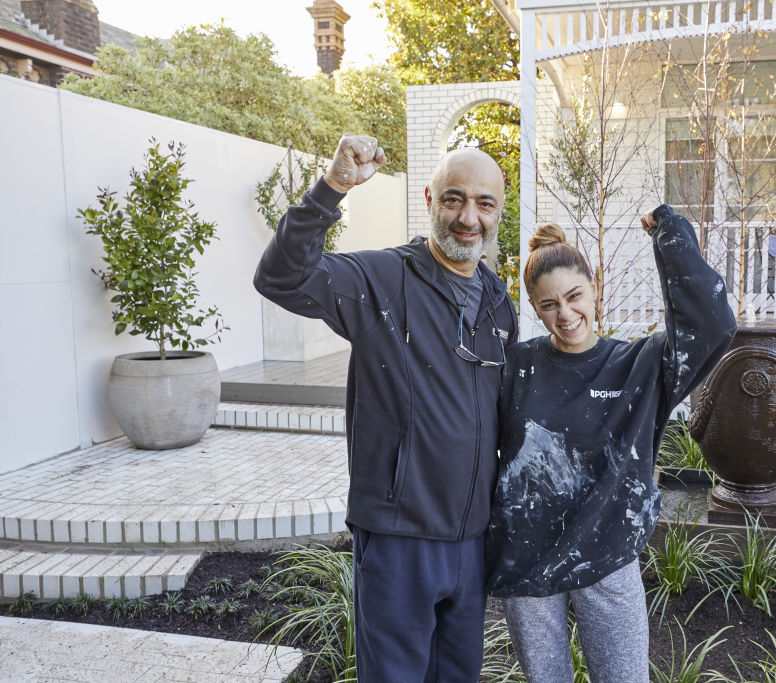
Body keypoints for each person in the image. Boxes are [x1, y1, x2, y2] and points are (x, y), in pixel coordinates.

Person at [254, 134, 518, 681]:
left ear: (499, 210)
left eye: (484, 203)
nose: (469, 217)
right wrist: (332, 189)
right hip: (399, 539)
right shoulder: (380, 279)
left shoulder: (499, 303)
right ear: (429, 199)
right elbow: (280, 276)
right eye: (454, 198)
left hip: (470, 541)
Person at [485, 206, 736, 682]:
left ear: (594, 287)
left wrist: (671, 235)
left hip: (607, 554)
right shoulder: (515, 367)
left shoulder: (640, 366)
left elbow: (712, 326)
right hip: (525, 560)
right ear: (535, 308)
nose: (565, 314)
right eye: (548, 305)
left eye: (574, 296)